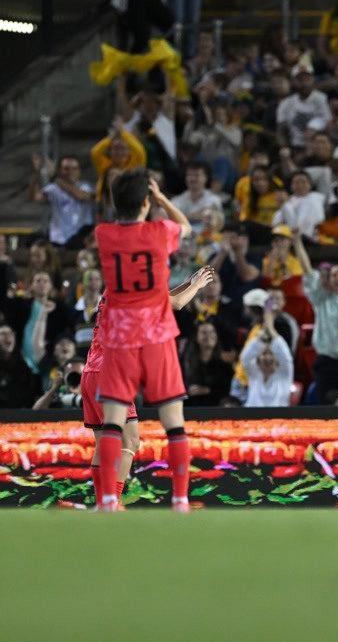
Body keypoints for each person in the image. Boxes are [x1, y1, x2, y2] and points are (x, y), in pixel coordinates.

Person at [92, 169, 194, 513]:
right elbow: (187, 227)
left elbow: (120, 215)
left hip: (120, 338)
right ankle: (179, 499)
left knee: (112, 424)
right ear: (147, 202)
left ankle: (107, 499)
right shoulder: (159, 232)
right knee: (174, 424)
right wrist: (164, 199)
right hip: (157, 334)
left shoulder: (104, 235)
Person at [83, 267, 213, 507]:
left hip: (91, 371)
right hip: (111, 372)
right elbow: (174, 304)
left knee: (103, 444)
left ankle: (103, 503)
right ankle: (112, 502)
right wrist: (196, 286)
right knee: (130, 441)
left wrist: (187, 283)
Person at [294, 233, 338, 404]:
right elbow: (308, 271)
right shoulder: (321, 299)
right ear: (329, 280)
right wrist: (297, 243)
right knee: (329, 412)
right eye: (334, 275)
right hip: (328, 365)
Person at [240, 307, 294, 407]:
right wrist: (261, 336)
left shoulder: (284, 374)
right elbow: (245, 357)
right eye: (264, 354)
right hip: (253, 420)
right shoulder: (254, 373)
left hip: (278, 420)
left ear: (277, 358)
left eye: (271, 354)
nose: (268, 358)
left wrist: (271, 329)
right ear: (258, 358)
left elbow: (285, 356)